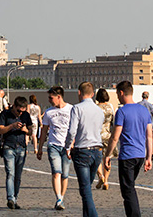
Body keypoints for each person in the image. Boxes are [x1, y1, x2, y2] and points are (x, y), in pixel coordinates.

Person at [106, 81, 153, 217]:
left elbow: (115, 137)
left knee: (128, 190)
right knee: (130, 188)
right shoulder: (144, 110)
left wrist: (108, 155)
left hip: (127, 156)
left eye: (117, 94)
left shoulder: (121, 111)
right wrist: (149, 157)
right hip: (140, 155)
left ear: (121, 93)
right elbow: (149, 136)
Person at [65, 82, 105, 217]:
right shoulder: (99, 110)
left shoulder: (77, 108)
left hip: (82, 150)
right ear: (93, 94)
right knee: (86, 188)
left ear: (79, 93)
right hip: (97, 151)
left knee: (85, 189)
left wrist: (68, 146)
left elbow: (72, 131)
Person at [0, 95, 34, 209]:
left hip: (21, 147)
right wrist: (12, 126)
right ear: (14, 106)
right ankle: (10, 198)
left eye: (23, 111)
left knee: (18, 176)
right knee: (10, 173)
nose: (20, 113)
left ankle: (15, 198)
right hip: (9, 146)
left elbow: (31, 131)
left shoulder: (26, 115)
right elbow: (0, 129)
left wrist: (25, 130)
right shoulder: (5, 114)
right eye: (18, 111)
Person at [95, 88, 117, 190]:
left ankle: (100, 176)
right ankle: (106, 181)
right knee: (107, 158)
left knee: (97, 159)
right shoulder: (110, 107)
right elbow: (113, 121)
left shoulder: (95, 108)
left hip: (97, 135)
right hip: (108, 135)